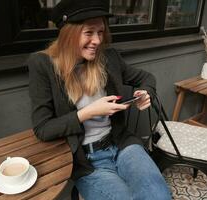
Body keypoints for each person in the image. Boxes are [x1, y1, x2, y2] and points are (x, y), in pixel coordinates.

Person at [27, 0, 171, 199]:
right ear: (69, 34)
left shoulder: (107, 57)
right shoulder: (43, 65)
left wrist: (145, 92)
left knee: (159, 195)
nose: (97, 40)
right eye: (89, 33)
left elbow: (147, 78)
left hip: (121, 144)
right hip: (87, 161)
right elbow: (42, 129)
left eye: (100, 32)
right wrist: (89, 112)